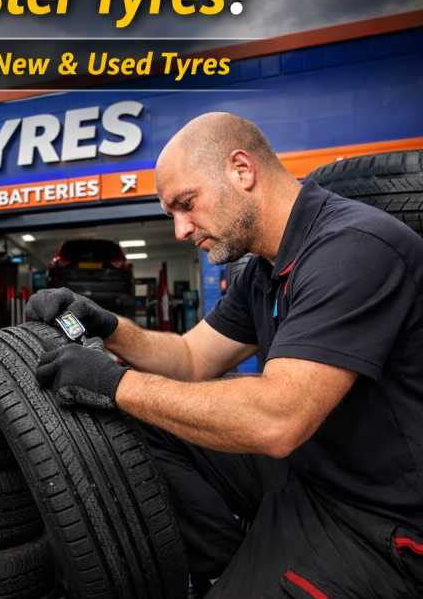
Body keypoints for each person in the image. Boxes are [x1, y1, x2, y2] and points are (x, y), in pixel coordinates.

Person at [26, 113, 423, 597]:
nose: (180, 229)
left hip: (381, 521)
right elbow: (192, 357)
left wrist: (115, 383)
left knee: (128, 399)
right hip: (305, 473)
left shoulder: (354, 248)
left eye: (186, 204)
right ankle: (224, 565)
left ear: (241, 169)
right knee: (136, 420)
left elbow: (279, 419)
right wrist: (107, 327)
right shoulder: (263, 269)